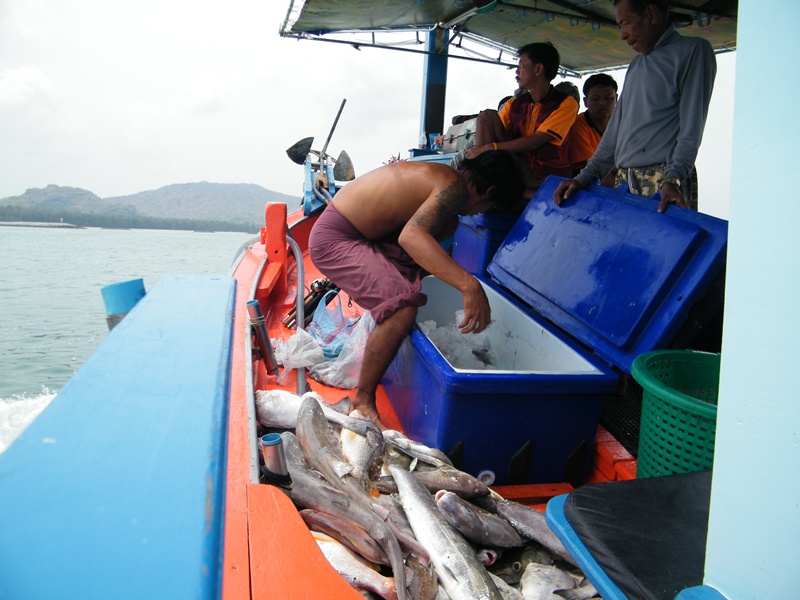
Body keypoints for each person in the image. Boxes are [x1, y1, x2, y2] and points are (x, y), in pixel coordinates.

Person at [308, 151, 526, 429]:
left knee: (439, 240)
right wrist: (469, 285)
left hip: (363, 236)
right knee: (402, 308)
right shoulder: (454, 188)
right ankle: (362, 400)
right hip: (336, 238)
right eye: (488, 207)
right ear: (490, 191)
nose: (479, 214)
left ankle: (383, 337)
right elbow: (411, 237)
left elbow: (419, 245)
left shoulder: (447, 184)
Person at [554, 0, 716, 213]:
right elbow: (615, 132)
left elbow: (691, 127)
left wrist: (673, 179)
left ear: (651, 13)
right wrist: (584, 177)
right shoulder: (636, 64)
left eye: (626, 23)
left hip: (663, 180)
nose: (622, 34)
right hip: (624, 180)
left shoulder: (693, 50)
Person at [465, 42, 579, 199]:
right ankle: (483, 179)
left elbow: (536, 140)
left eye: (522, 65)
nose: (517, 71)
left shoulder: (566, 103)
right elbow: (494, 129)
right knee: (486, 116)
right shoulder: (515, 103)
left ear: (538, 69)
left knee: (490, 148)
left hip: (544, 174)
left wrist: (490, 148)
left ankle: (501, 188)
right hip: (518, 166)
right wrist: (481, 149)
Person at [568, 73, 618, 177]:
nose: (602, 103)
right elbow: (591, 169)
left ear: (616, 99)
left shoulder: (622, 125)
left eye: (608, 98)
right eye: (596, 99)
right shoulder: (577, 125)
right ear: (585, 102)